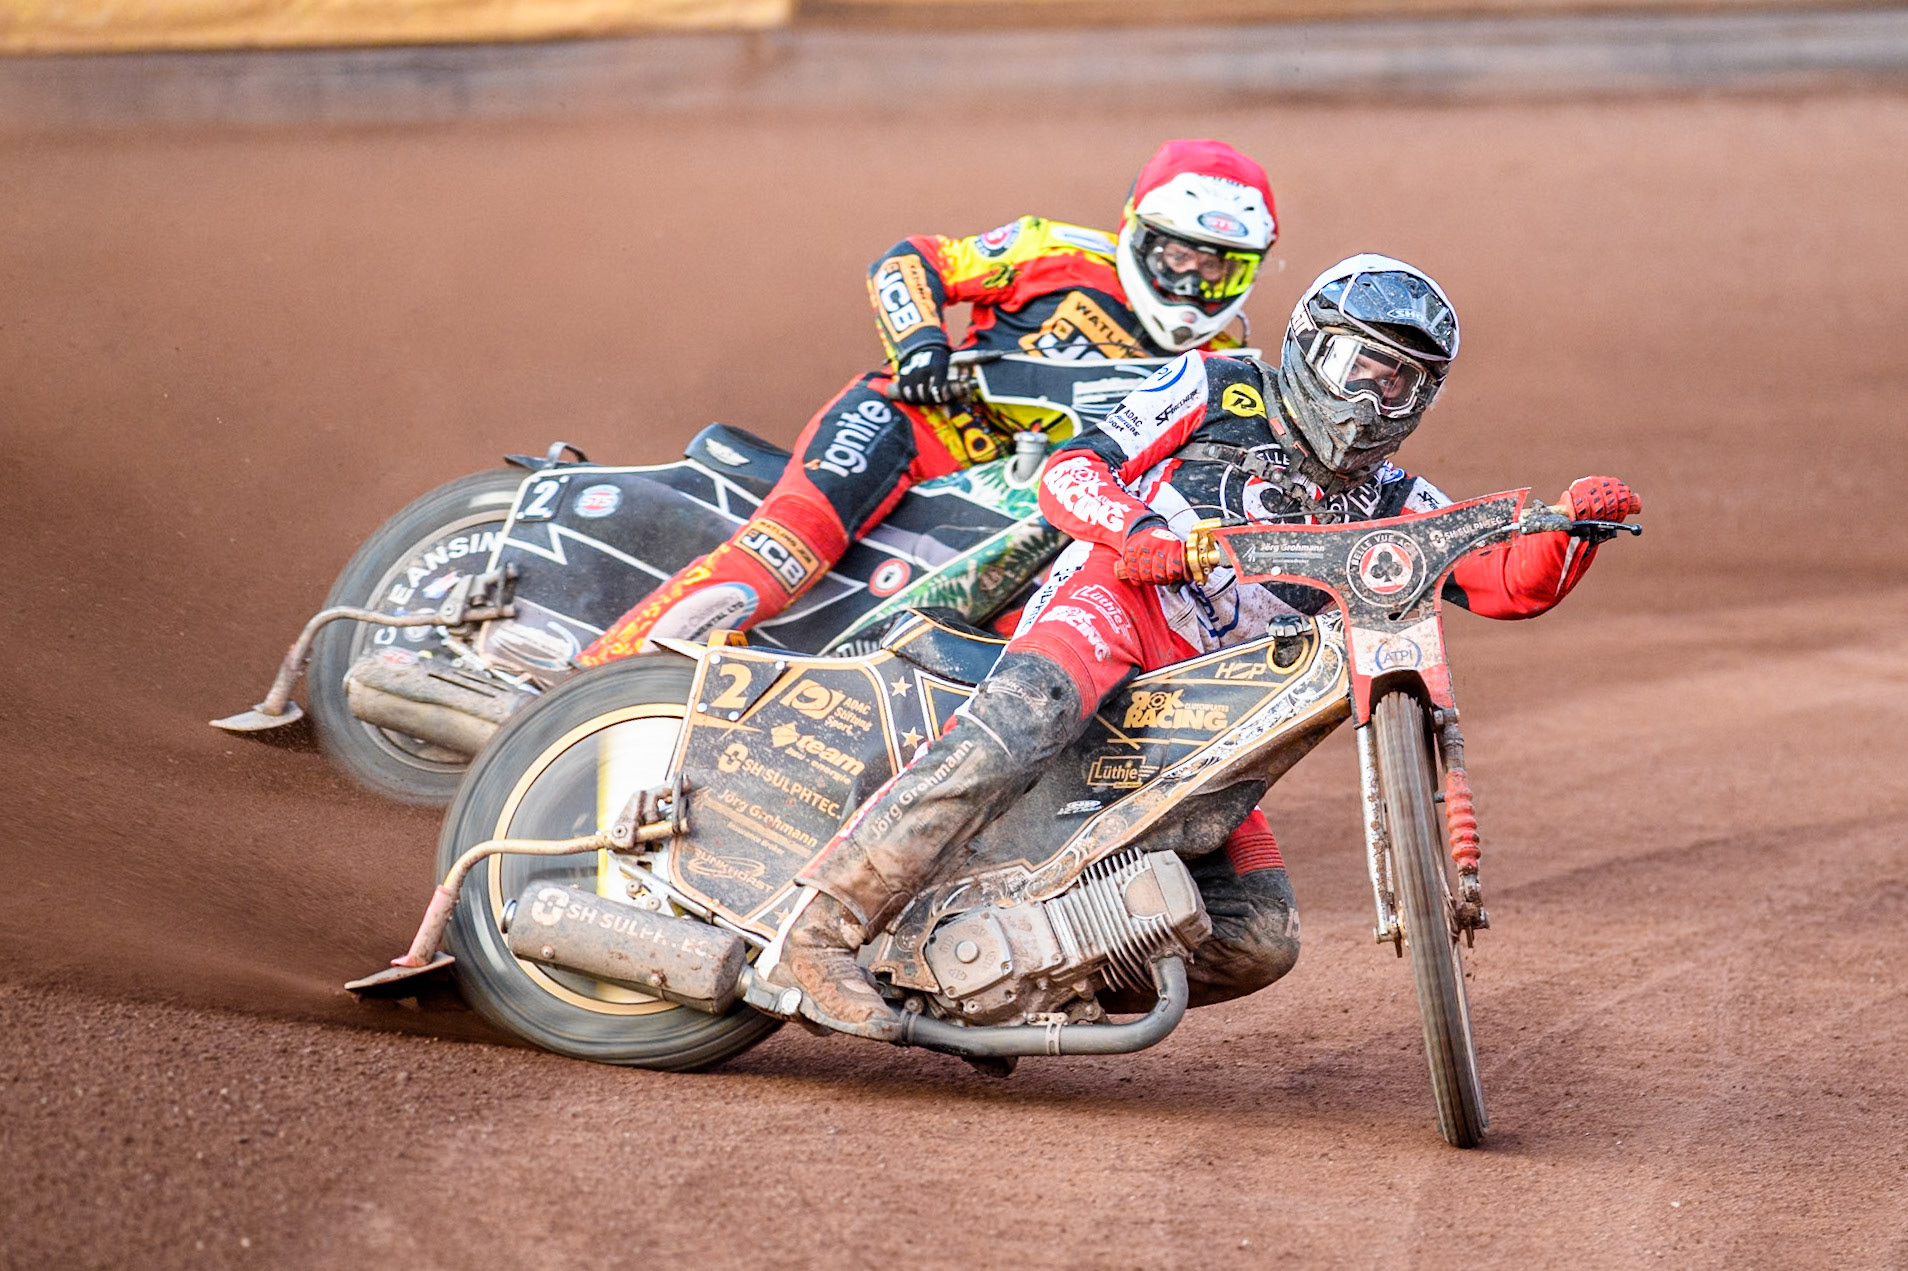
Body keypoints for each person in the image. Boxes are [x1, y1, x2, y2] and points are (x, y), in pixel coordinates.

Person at [772, 253, 1642, 1037]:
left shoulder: (1399, 500)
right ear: (1307, 344)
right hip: (1121, 614)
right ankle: (820, 932)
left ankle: (1019, 980)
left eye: (1403, 386)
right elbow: (1071, 470)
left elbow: (1499, 581)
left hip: (1215, 716)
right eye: (1358, 369)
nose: (1374, 402)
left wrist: (1573, 533)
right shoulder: (1215, 384)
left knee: (1260, 937)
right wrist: (1138, 527)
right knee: (1028, 710)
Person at [575, 138, 1279, 663]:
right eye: (1176, 256)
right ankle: (580, 691)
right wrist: (920, 347)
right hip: (908, 428)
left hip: (1023, 513)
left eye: (1217, 267)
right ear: (1136, 233)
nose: (1191, 283)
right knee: (771, 566)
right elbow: (911, 261)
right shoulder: (1052, 251)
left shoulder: (1219, 367)